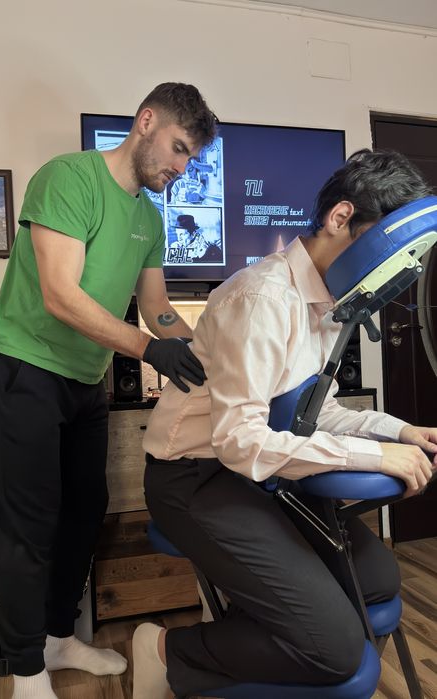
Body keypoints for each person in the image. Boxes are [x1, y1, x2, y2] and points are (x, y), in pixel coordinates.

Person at [134, 149, 437, 699]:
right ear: (341, 218)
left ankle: (275, 621)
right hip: (196, 478)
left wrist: (396, 432)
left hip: (260, 476)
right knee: (335, 649)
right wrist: (375, 456)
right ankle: (164, 651)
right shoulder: (263, 298)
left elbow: (316, 411)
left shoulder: (328, 301)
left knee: (377, 582)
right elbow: (240, 441)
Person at [0, 82, 217, 699]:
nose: (182, 167)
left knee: (84, 513)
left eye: (191, 159)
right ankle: (25, 669)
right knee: (27, 527)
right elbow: (61, 296)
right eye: (179, 148)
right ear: (147, 121)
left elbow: (157, 309)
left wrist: (209, 355)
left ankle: (58, 637)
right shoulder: (69, 179)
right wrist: (147, 349)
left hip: (84, 382)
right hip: (21, 369)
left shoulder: (149, 217)